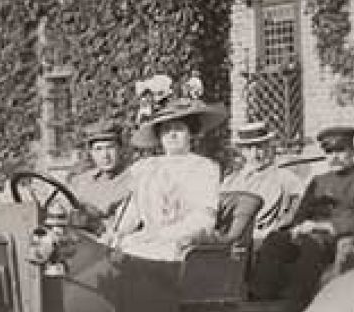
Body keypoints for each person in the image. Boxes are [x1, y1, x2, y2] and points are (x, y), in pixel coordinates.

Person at [250, 126, 354, 312]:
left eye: (341, 150)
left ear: (353, 150)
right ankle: (259, 300)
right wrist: (295, 227)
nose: (335, 157)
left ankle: (294, 305)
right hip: (308, 234)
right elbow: (300, 215)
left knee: (309, 246)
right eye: (329, 152)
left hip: (337, 239)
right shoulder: (318, 181)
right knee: (275, 240)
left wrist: (321, 226)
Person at [110, 97, 226, 262]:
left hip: (183, 244)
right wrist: (120, 232)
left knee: (141, 255)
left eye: (178, 129)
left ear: (190, 133)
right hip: (146, 239)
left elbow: (203, 219)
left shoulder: (204, 168)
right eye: (166, 130)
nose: (172, 135)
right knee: (112, 252)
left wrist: (159, 235)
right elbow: (132, 209)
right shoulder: (147, 167)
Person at [220, 121, 299, 240]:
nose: (255, 154)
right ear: (242, 151)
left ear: (269, 146)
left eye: (260, 147)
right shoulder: (230, 181)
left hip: (267, 240)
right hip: (233, 242)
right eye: (248, 148)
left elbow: (298, 210)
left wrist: (280, 226)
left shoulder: (285, 177)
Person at [65, 119, 131, 233]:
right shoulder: (80, 181)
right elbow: (64, 208)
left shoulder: (133, 179)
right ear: (91, 153)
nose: (105, 155)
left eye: (110, 147)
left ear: (120, 149)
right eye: (98, 149)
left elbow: (126, 225)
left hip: (111, 242)